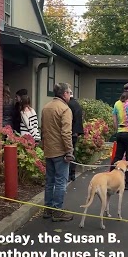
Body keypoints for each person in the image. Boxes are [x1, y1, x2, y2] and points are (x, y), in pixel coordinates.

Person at [41, 83, 75, 222]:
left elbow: (43, 129)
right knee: (61, 182)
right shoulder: (65, 109)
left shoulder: (46, 107)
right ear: (64, 94)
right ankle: (57, 211)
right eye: (69, 92)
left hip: (49, 149)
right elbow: (66, 132)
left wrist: (44, 146)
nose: (70, 95)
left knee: (49, 181)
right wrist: (69, 151)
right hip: (60, 151)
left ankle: (48, 209)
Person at [68, 94, 84, 182]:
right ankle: (72, 173)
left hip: (68, 132)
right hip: (75, 132)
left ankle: (68, 173)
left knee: (67, 152)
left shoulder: (67, 104)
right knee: (73, 152)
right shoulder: (76, 104)